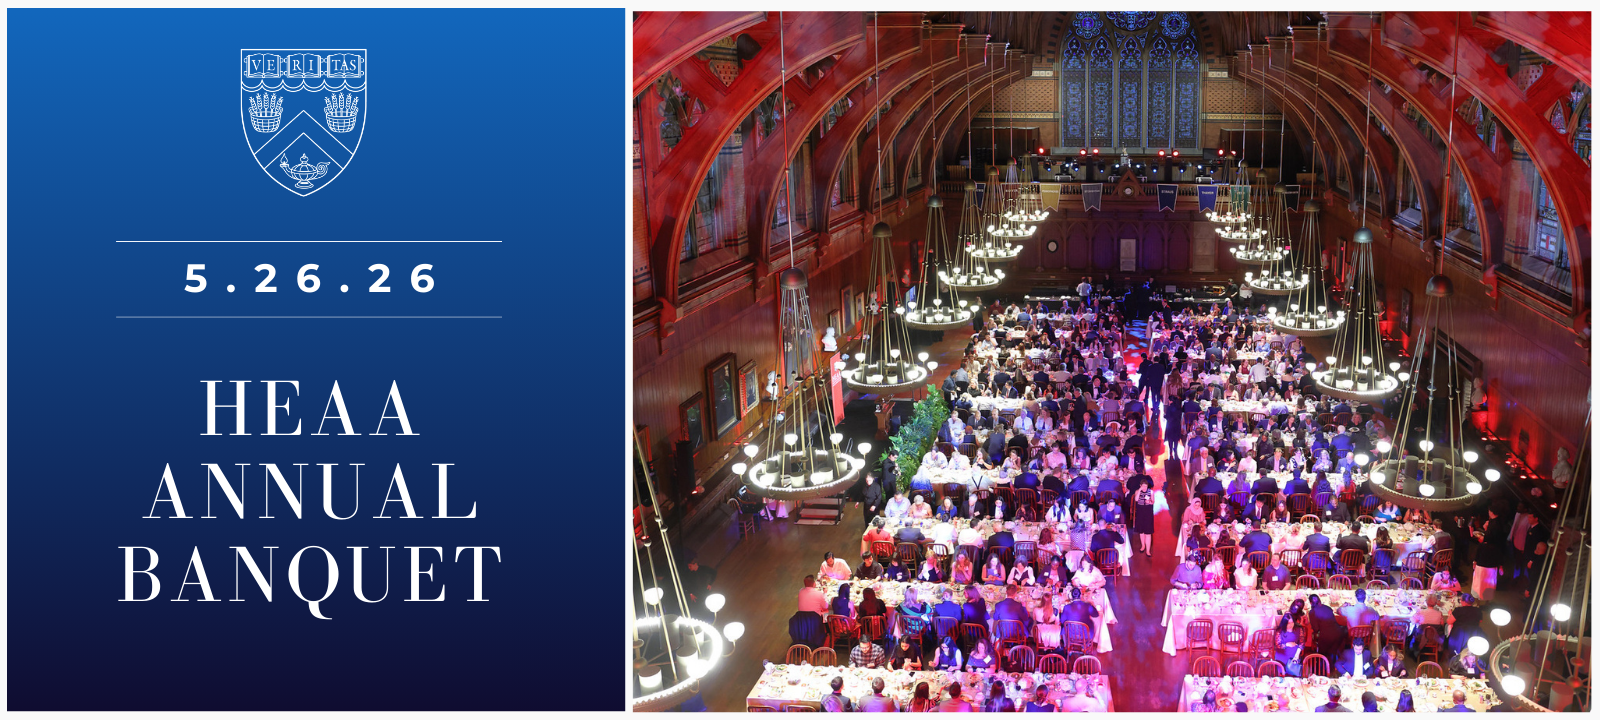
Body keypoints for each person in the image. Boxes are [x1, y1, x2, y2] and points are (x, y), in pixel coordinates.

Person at [1133, 479, 1156, 557]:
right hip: (1140, 512)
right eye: (1143, 486)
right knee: (1141, 531)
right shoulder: (1137, 491)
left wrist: (1149, 501)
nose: (1144, 488)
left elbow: (1153, 501)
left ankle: (1148, 550)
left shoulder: (1151, 492)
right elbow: (1136, 499)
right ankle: (1143, 546)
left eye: (1146, 486)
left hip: (1148, 513)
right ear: (1140, 486)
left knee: (1148, 532)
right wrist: (1140, 490)